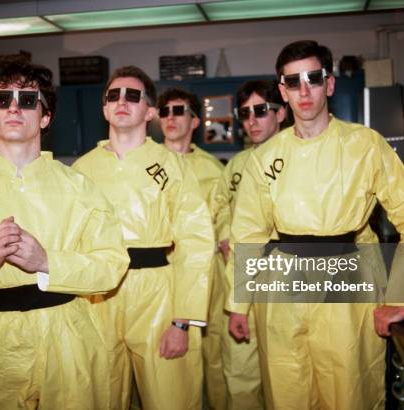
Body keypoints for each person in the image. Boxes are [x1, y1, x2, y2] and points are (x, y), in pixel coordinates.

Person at [225, 40, 404, 409]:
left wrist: (402, 295)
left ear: (331, 84)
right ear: (282, 91)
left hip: (348, 285)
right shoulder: (266, 158)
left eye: (314, 79)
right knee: (286, 390)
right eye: (293, 82)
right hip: (282, 291)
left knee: (349, 392)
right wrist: (238, 305)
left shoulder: (364, 146)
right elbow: (248, 234)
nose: (304, 91)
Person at [0, 57, 130, 410]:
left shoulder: (79, 188)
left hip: (69, 337)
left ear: (45, 117)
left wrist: (47, 262)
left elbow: (111, 264)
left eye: (28, 100)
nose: (14, 107)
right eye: (2, 99)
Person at [73, 66, 214, 410]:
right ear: (104, 108)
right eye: (113, 96)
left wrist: (182, 320)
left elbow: (196, 242)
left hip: (158, 297)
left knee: (169, 399)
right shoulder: (81, 171)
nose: (122, 101)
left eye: (133, 95)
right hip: (96, 299)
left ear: (149, 111)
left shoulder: (172, 166)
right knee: (98, 398)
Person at [215, 80, 287, 410]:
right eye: (245, 113)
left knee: (287, 376)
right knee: (240, 373)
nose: (252, 120)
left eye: (261, 111)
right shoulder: (235, 166)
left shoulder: (296, 157)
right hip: (242, 279)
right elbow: (220, 208)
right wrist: (225, 236)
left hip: (285, 283)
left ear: (281, 113)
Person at [157, 87, 226, 409]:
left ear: (195, 120)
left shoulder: (213, 169)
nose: (170, 117)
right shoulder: (147, 162)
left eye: (178, 111)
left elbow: (226, 217)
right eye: (165, 111)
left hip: (207, 273)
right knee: (162, 361)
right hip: (159, 274)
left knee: (213, 356)